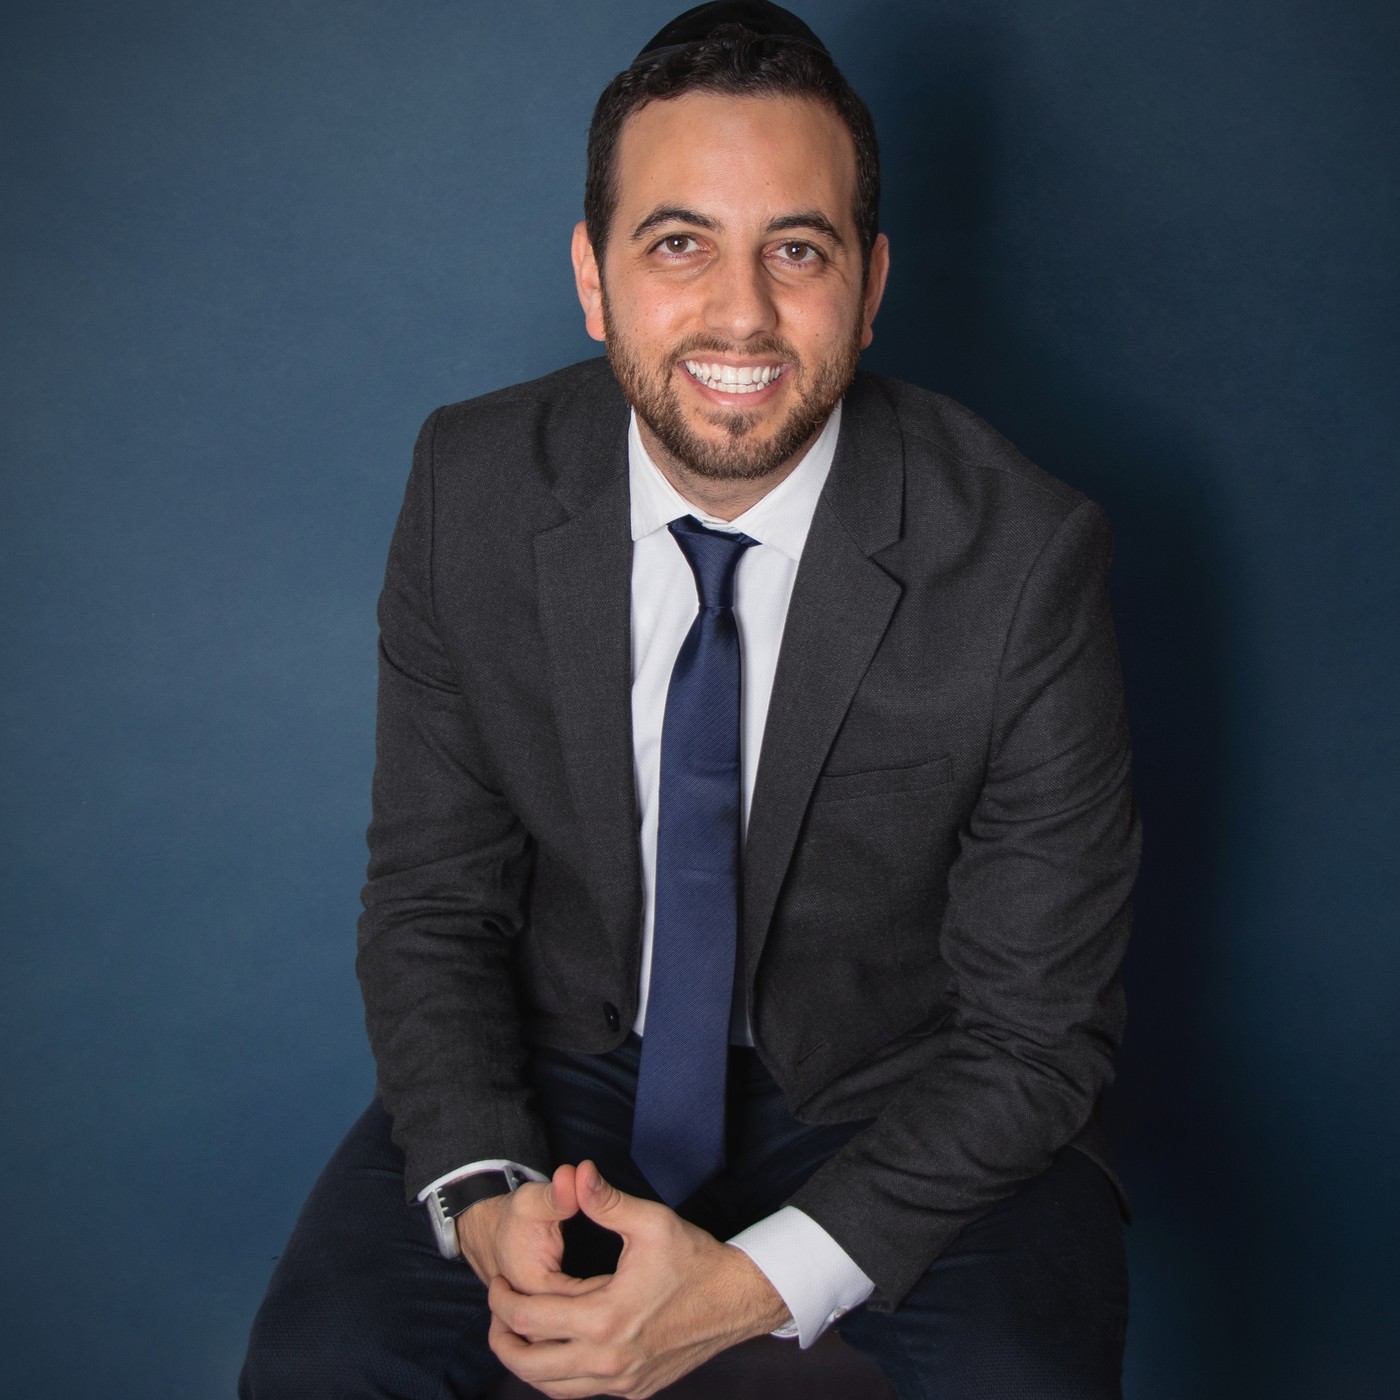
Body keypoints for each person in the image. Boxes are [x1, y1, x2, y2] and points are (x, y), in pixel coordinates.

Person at [241, 3, 1139, 1397]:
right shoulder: (469, 489)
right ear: (592, 277)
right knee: (322, 1370)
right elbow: (433, 903)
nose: (741, 313)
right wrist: (483, 1192)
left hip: (900, 1087)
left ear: (871, 282)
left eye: (798, 249)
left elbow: (1036, 1034)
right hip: (570, 1063)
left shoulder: (1023, 556)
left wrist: (751, 1286)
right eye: (678, 243)